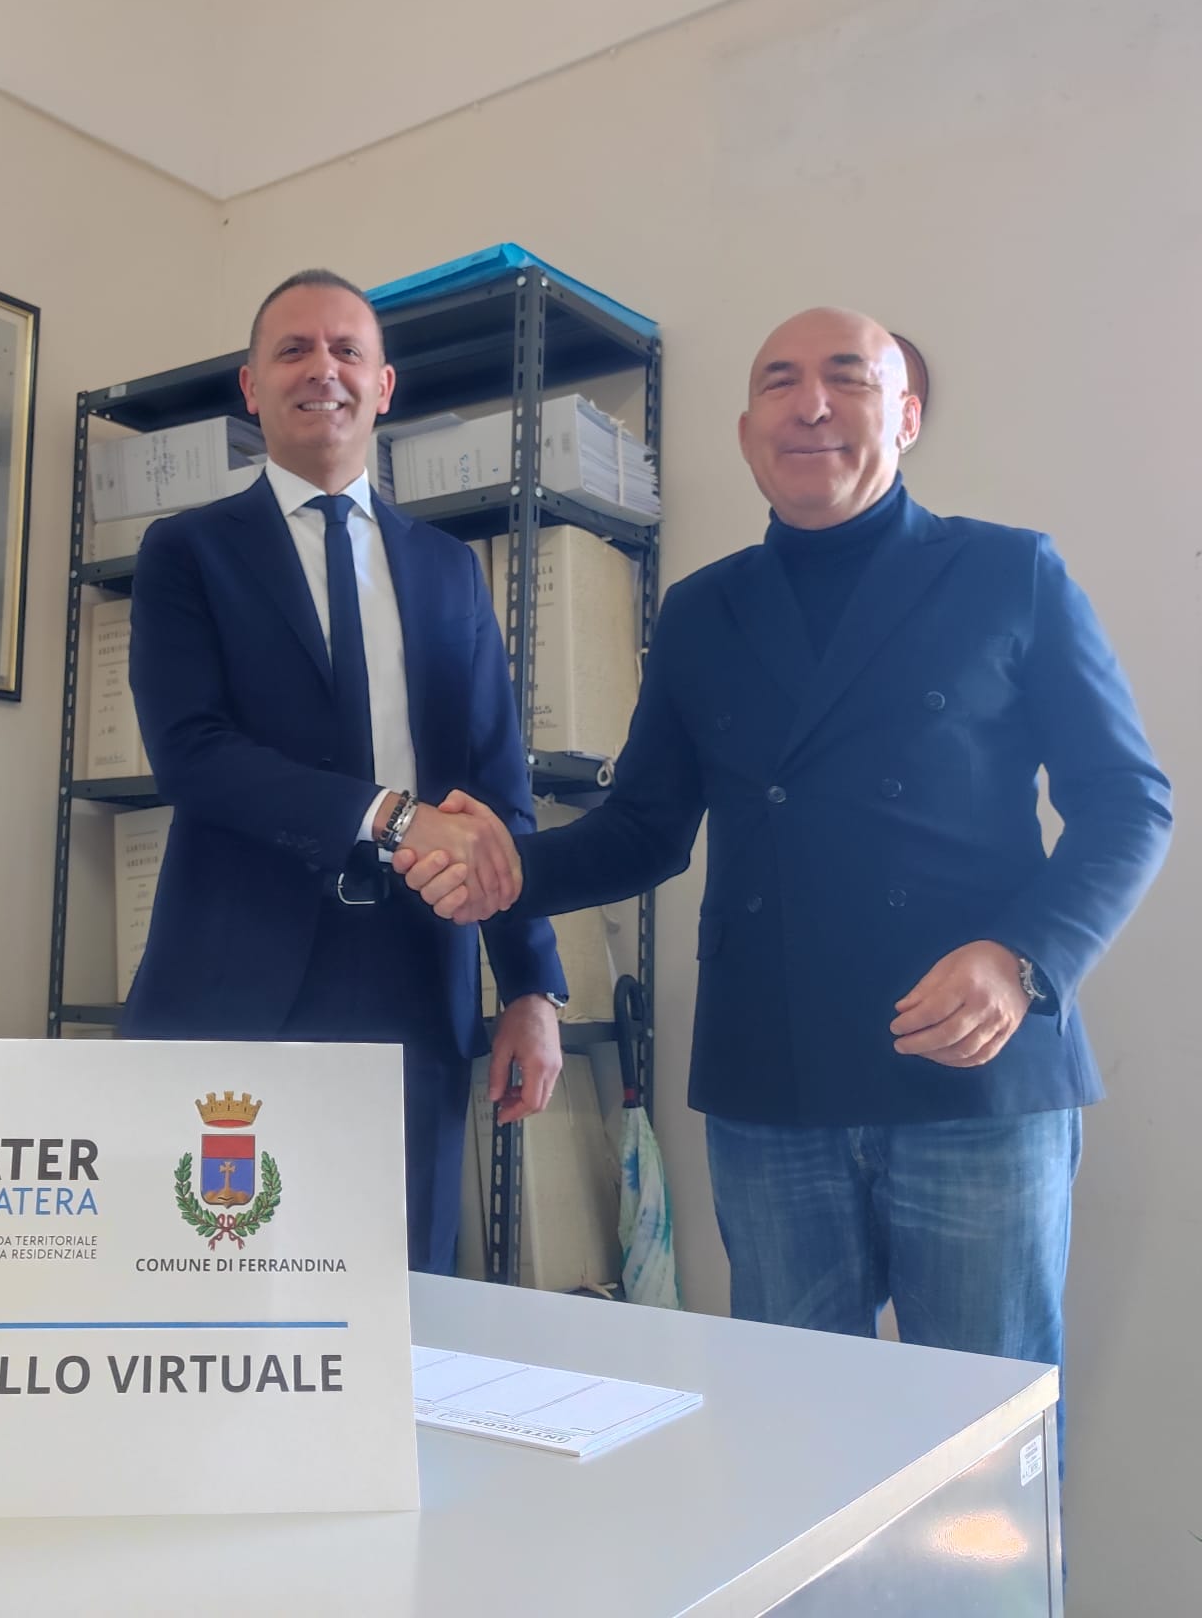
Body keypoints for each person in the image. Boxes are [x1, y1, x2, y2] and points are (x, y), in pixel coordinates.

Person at [397, 306, 1171, 1454]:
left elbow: (1127, 800)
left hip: (973, 1078)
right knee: (795, 1441)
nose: (810, 404)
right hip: (772, 1079)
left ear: (904, 415)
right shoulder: (701, 609)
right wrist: (504, 870)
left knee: (987, 1445)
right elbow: (643, 831)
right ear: (746, 429)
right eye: (778, 381)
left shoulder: (1008, 570)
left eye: (846, 377)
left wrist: (1024, 958)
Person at [121, 269, 569, 1273]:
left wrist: (531, 985)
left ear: (383, 386)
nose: (321, 369)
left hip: (415, 971)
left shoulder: (450, 569)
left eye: (346, 351)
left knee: (399, 1288)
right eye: (292, 350)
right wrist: (395, 817)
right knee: (205, 1280)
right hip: (234, 970)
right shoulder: (186, 552)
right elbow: (191, 754)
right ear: (251, 386)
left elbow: (497, 791)